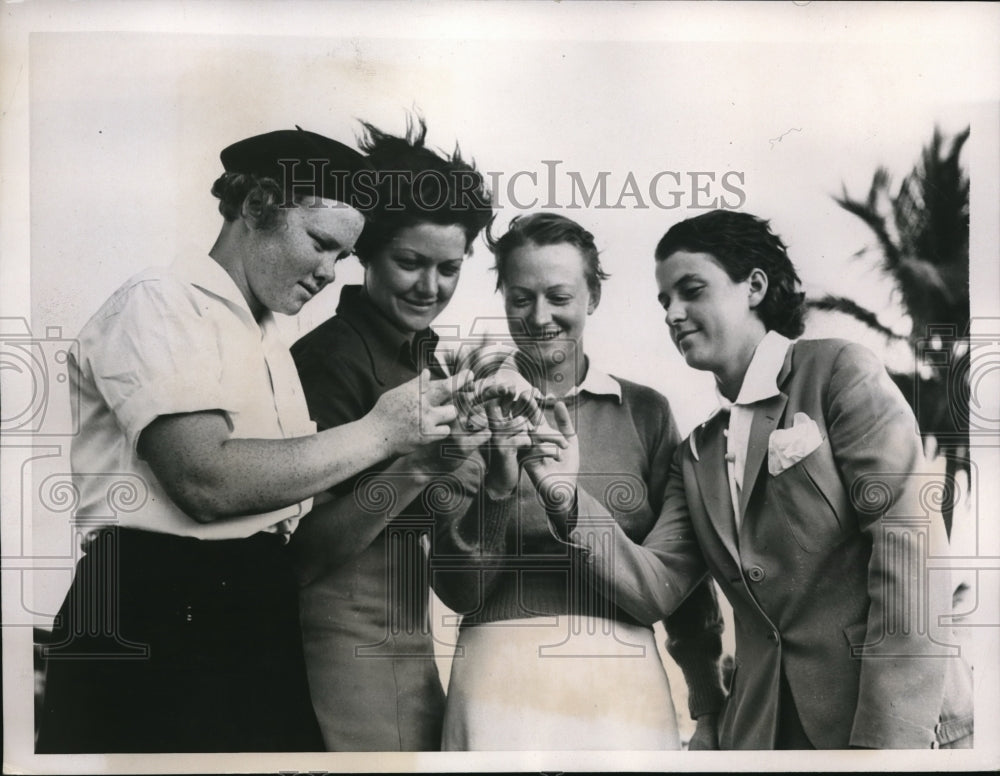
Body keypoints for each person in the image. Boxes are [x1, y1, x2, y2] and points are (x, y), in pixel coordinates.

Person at [35, 128, 468, 753]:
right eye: (320, 244)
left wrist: (420, 462)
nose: (327, 272)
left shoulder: (267, 337)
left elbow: (295, 527)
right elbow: (204, 481)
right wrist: (381, 431)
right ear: (258, 206)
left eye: (341, 257)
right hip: (150, 605)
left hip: (253, 609)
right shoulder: (161, 301)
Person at [641, 209, 972, 748]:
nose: (673, 313)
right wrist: (559, 487)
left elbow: (910, 552)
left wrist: (887, 745)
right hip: (763, 736)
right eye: (664, 302)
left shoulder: (839, 371)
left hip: (884, 725)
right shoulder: (695, 453)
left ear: (753, 286)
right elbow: (655, 585)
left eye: (691, 290)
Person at [431, 212, 726, 751]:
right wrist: (499, 478)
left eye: (559, 297)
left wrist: (706, 698)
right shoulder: (469, 409)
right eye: (520, 298)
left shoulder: (645, 412)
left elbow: (681, 573)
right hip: (499, 686)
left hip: (624, 688)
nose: (539, 316)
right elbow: (459, 589)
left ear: (592, 297)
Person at [289, 117, 496, 751]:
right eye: (410, 262)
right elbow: (305, 553)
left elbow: (450, 564)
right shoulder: (330, 359)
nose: (429, 287)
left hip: (410, 649)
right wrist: (419, 469)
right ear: (367, 252)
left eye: (450, 268)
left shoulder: (428, 363)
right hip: (339, 654)